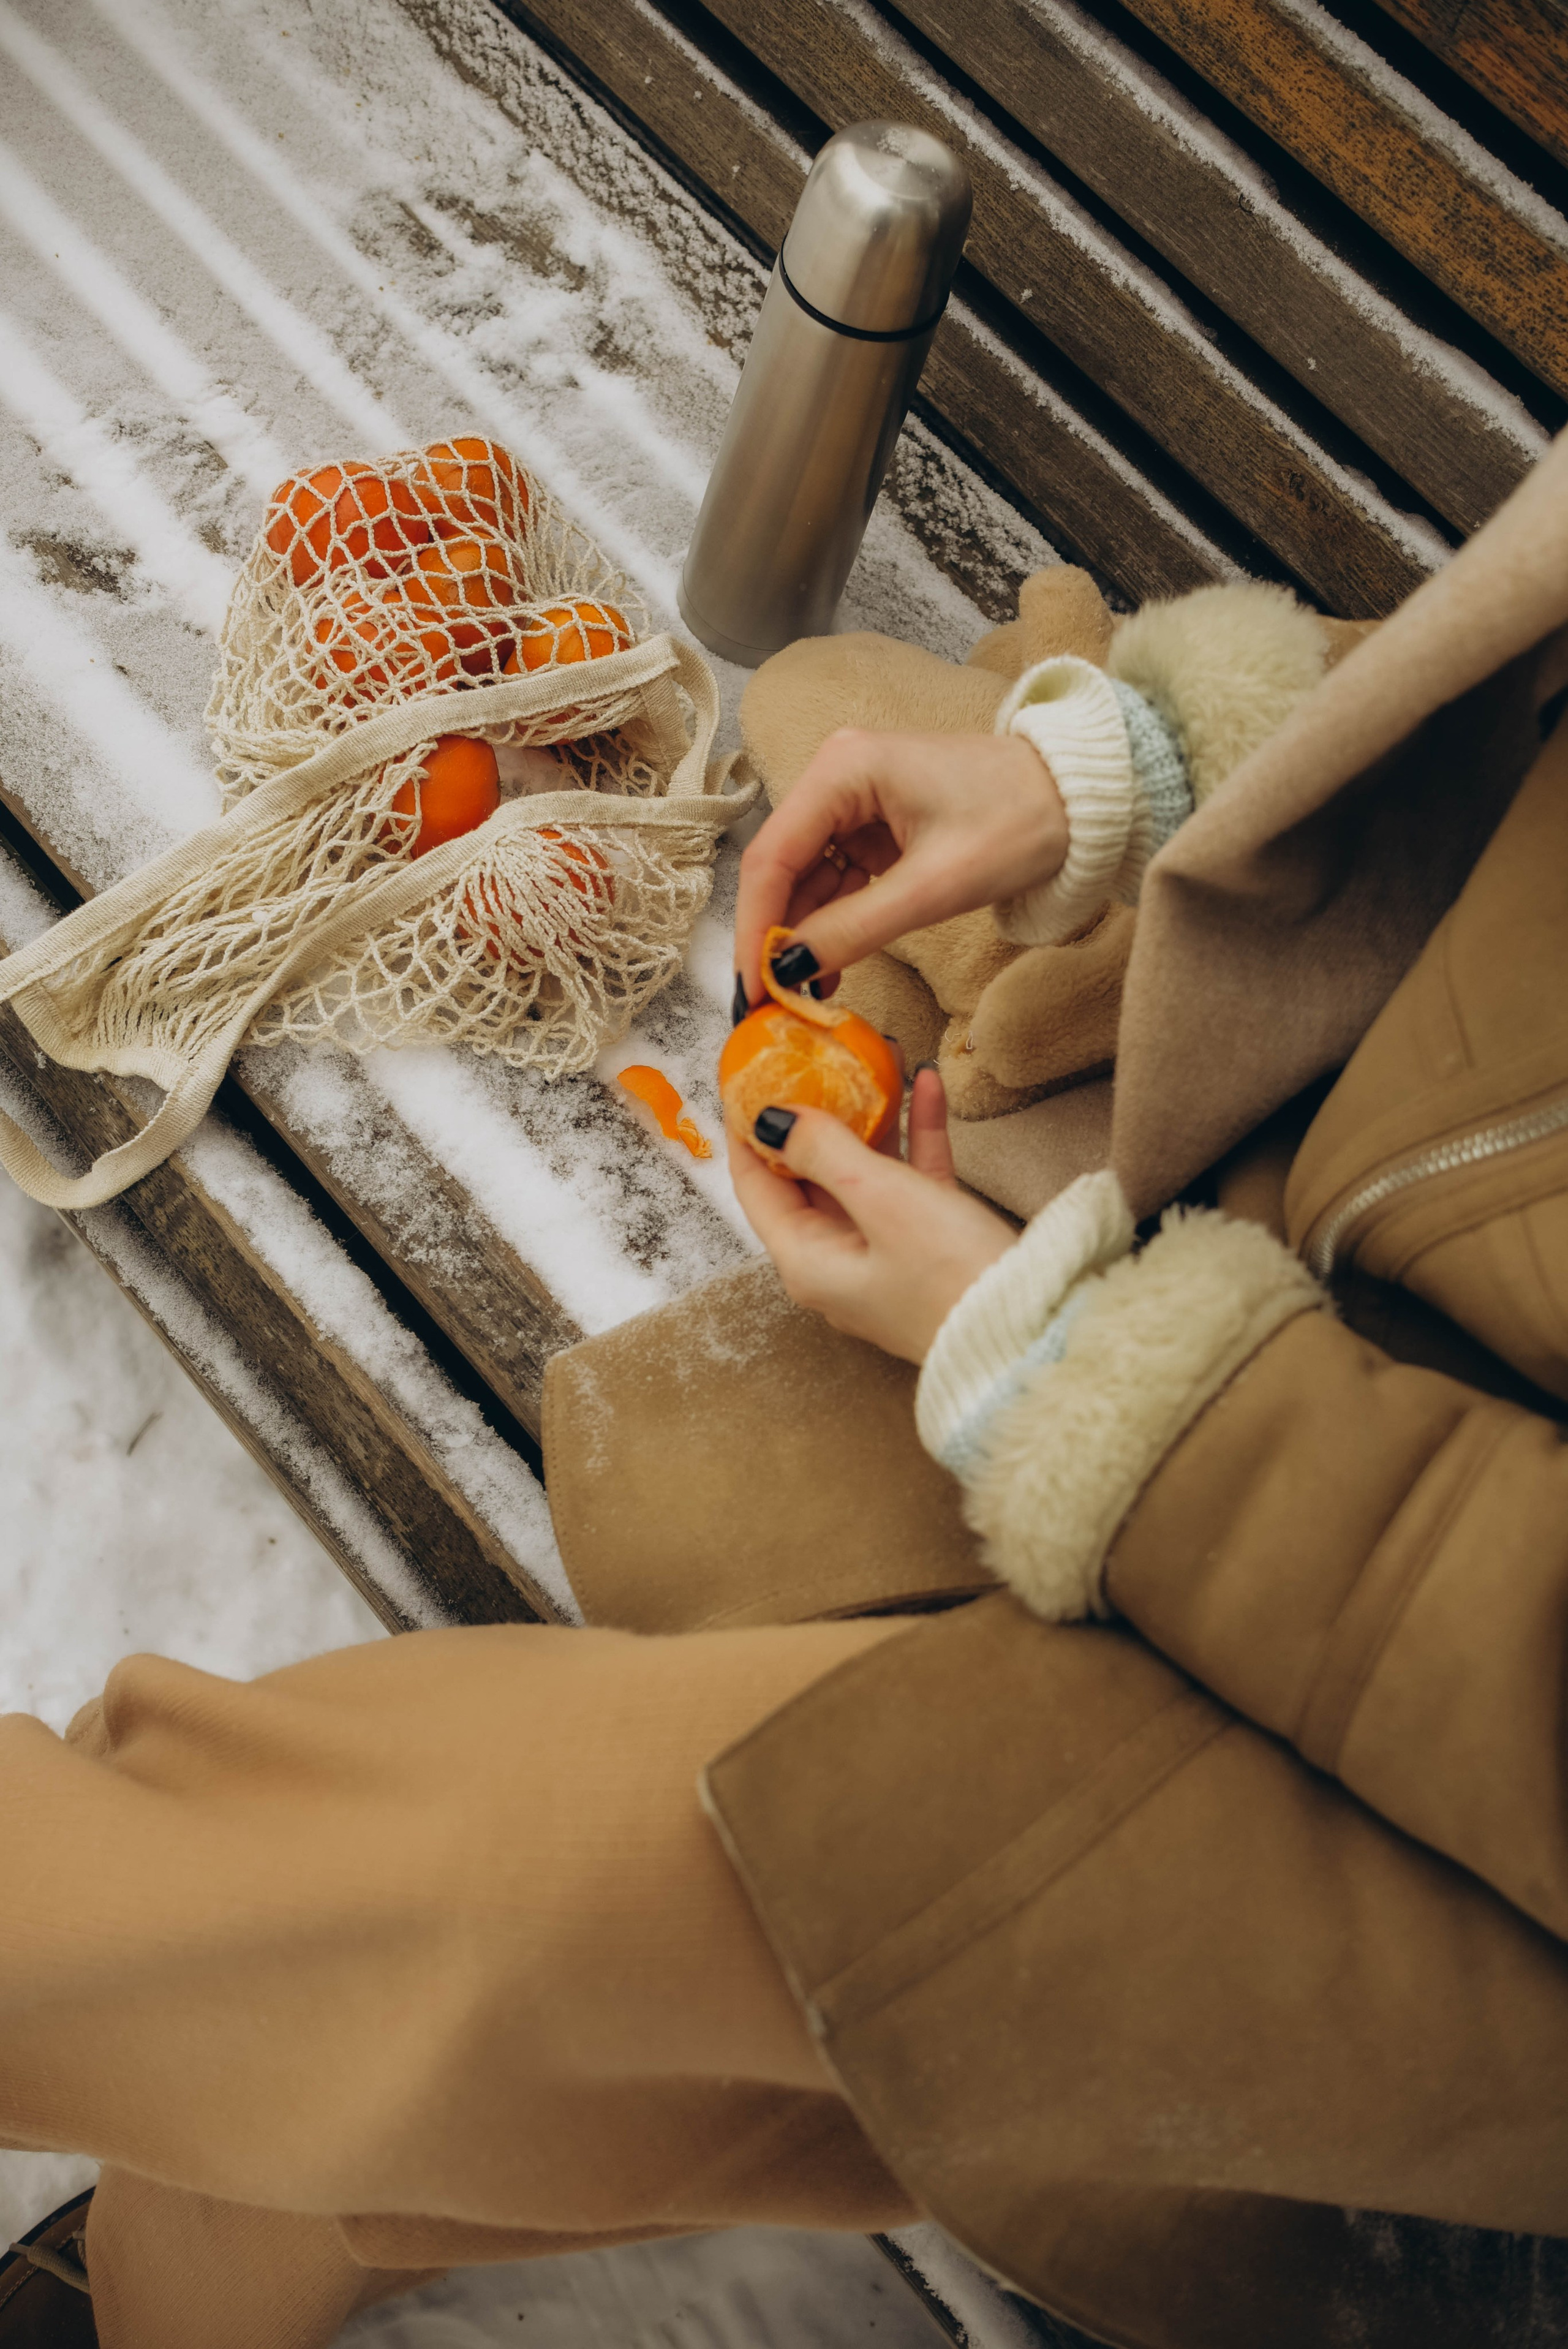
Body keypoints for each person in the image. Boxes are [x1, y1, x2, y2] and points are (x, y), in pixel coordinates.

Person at [4, 430, 1568, 2349]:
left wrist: (1067, 1362)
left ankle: (159, 2283)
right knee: (835, 713)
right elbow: (1515, 743)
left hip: (1433, 1739)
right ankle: (189, 2267)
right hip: (1333, 1202)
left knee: (456, 1888)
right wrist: (1118, 773)